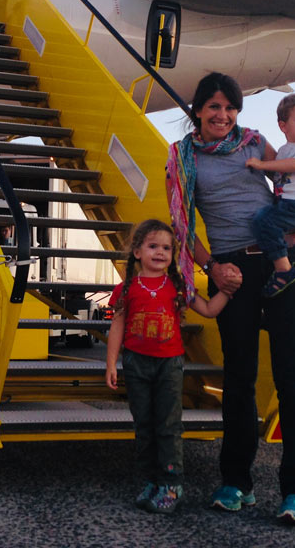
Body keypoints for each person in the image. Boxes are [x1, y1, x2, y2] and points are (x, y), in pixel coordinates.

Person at [166, 72, 295, 528]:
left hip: (285, 260)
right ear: (197, 110)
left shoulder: (256, 143)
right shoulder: (182, 157)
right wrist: (212, 268)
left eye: (230, 107)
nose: (223, 115)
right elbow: (182, 228)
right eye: (214, 106)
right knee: (238, 376)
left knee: (291, 375)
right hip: (232, 270)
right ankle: (237, 481)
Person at [105, 219, 231, 515]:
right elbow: (118, 324)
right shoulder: (127, 288)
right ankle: (151, 480)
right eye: (153, 246)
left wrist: (228, 289)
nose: (160, 253)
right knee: (144, 426)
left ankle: (172, 484)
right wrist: (111, 363)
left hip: (169, 365)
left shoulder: (179, 286)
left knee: (168, 425)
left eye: (166, 248)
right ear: (137, 252)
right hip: (136, 363)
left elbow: (210, 310)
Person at [245, 93, 295, 298]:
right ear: (283, 126)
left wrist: (261, 164)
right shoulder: (283, 150)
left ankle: (284, 269)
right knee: (267, 223)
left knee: (263, 221)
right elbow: (279, 177)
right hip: (288, 202)